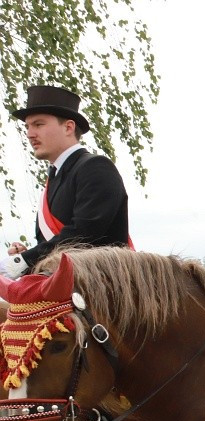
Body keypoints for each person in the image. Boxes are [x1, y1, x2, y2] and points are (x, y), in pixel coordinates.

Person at [2, 85, 129, 279]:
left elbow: (83, 235)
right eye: (27, 126)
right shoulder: (56, 176)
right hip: (70, 285)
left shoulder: (96, 167)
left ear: (68, 127)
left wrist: (25, 260)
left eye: (38, 124)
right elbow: (58, 245)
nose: (29, 134)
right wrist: (30, 256)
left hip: (101, 291)